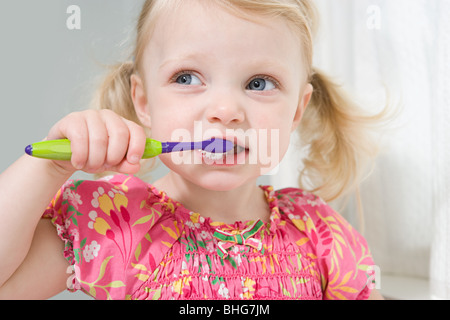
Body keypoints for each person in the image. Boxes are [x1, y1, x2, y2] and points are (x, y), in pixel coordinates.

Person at [0, 0, 385, 300]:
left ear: (297, 111)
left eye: (259, 83)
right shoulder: (116, 223)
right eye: (187, 77)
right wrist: (48, 169)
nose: (226, 111)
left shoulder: (320, 233)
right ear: (144, 101)